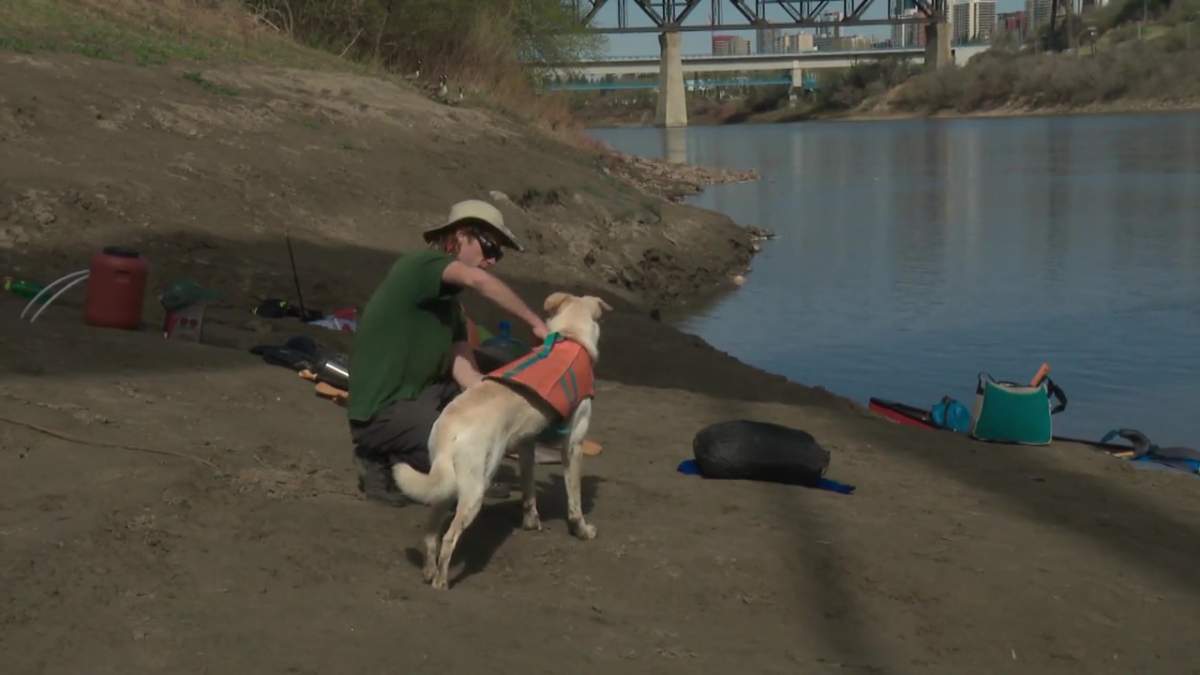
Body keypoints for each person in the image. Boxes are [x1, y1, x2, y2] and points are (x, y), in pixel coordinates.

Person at [347, 199, 549, 504]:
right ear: (461, 235)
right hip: (383, 411)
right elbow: (479, 280)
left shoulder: (452, 308)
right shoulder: (418, 265)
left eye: (499, 255)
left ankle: (419, 455)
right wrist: (536, 323)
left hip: (422, 397)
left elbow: (466, 374)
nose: (492, 261)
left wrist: (507, 420)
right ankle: (379, 457)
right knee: (458, 462)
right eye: (490, 248)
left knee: (499, 375)